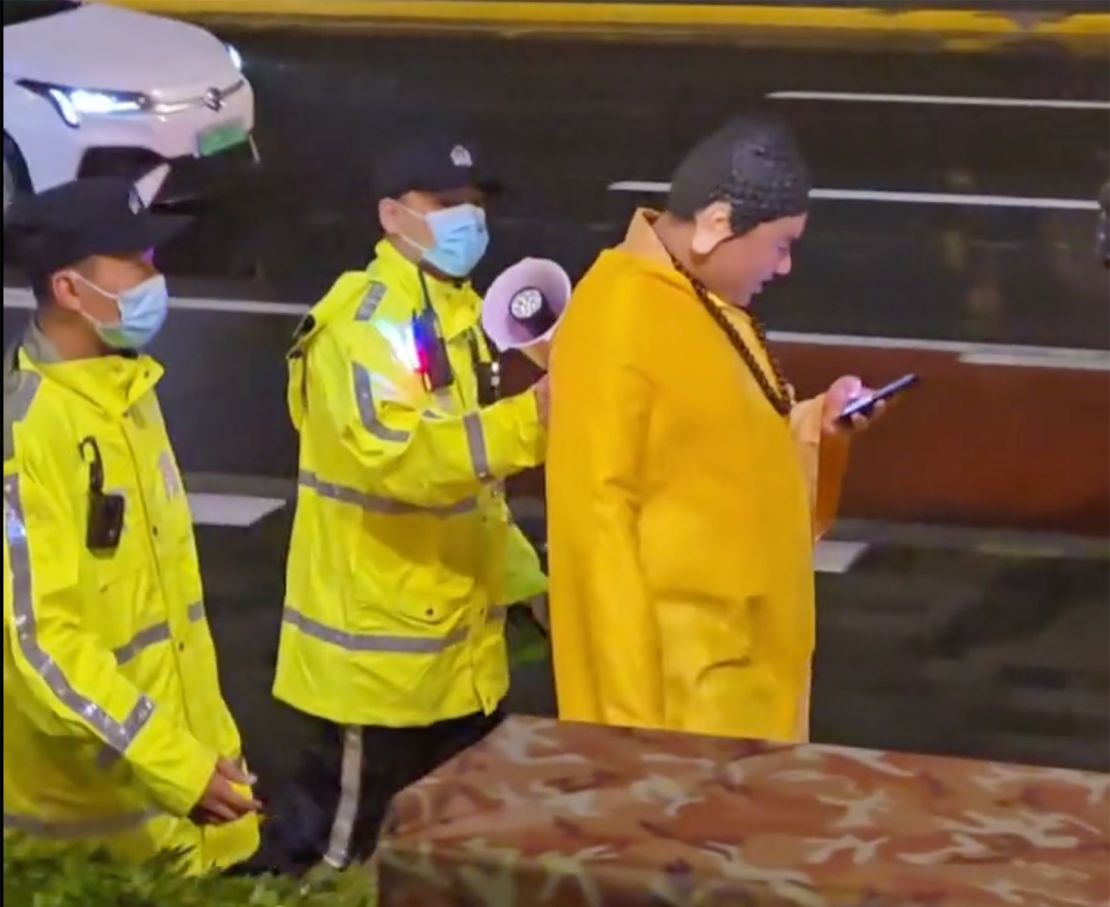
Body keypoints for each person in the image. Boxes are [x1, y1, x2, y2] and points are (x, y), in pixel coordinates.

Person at [546, 116, 883, 745]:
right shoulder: (619, 316)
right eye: (780, 245)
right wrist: (625, 732)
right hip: (683, 700)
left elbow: (732, 437)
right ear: (718, 225)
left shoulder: (700, 301)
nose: (783, 268)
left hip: (742, 672)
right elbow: (597, 531)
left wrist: (819, 422)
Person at [271, 126, 548, 870]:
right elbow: (404, 462)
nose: (470, 219)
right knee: (336, 861)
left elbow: (473, 493)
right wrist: (537, 417)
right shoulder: (368, 326)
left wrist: (530, 586)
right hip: (378, 668)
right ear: (392, 216)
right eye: (446, 202)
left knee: (444, 859)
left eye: (476, 202)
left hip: (457, 657)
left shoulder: (461, 316)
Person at [2, 178, 260, 872]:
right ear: (69, 290)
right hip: (97, 839)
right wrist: (178, 764)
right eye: (137, 263)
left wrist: (203, 758)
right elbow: (43, 644)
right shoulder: (25, 433)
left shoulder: (126, 393)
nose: (156, 279)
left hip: (182, 807)